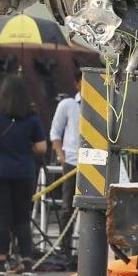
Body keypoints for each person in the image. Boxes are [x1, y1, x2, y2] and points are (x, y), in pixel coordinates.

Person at [0, 75, 46, 275]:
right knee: (22, 218)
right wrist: (27, 148)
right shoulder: (32, 118)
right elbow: (42, 148)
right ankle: (26, 262)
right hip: (24, 172)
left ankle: (1, 261)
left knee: (2, 217)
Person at [49, 78, 81, 255]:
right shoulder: (68, 105)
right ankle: (65, 248)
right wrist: (62, 157)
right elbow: (55, 131)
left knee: (97, 207)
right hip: (72, 161)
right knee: (67, 206)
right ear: (77, 84)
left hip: (96, 161)